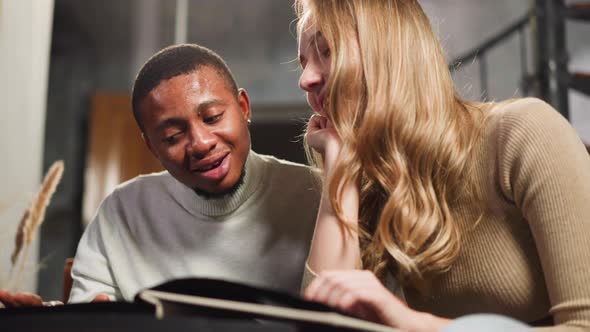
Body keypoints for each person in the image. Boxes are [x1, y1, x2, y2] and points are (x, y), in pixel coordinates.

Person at [294, 0, 590, 331]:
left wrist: (417, 325)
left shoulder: (524, 133)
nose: (305, 79)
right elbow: (323, 324)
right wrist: (341, 167)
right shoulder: (379, 181)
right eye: (303, 62)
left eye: (327, 51)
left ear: (389, 57)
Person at [1, 43, 320, 305]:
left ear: (243, 107)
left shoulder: (314, 196)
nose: (200, 143)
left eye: (212, 117)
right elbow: (89, 314)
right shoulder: (121, 212)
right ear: (152, 147)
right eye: (171, 137)